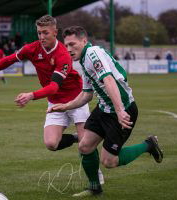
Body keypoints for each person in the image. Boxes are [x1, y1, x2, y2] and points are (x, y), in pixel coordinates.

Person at [0, 15, 104, 184]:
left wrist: (31, 95)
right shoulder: (32, 48)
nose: (41, 37)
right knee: (51, 143)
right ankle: (74, 137)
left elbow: (54, 86)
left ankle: (96, 175)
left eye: (45, 33)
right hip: (54, 102)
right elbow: (9, 60)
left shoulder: (63, 54)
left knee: (85, 146)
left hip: (76, 99)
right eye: (39, 33)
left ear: (55, 32)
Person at [48, 26, 164, 197]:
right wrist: (66, 106)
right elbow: (87, 95)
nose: (69, 49)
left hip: (122, 109)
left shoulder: (93, 53)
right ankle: (95, 188)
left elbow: (108, 79)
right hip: (104, 108)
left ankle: (149, 145)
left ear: (84, 41)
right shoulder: (83, 60)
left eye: (73, 44)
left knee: (109, 161)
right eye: (66, 46)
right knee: (85, 146)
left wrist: (119, 111)